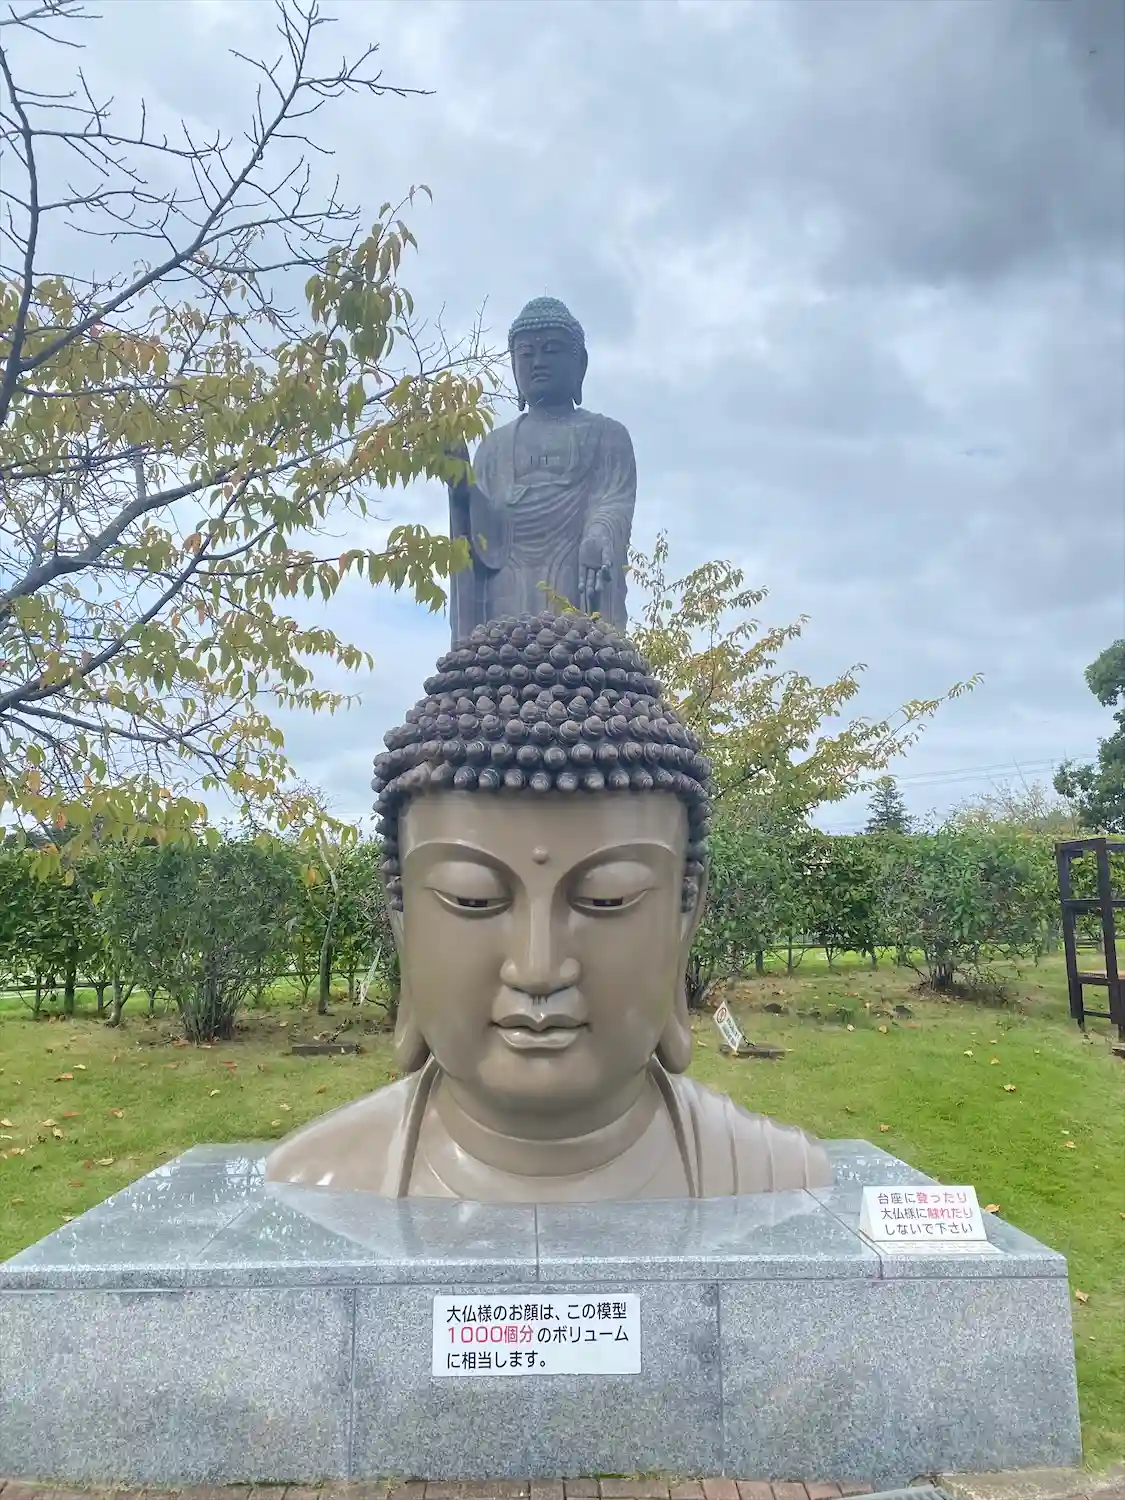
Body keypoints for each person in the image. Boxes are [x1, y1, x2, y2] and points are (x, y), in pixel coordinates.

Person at [266, 612, 832, 1201]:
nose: (538, 969)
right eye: (473, 897)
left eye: (608, 897)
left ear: (683, 919)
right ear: (402, 918)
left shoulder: (774, 1179)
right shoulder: (322, 1182)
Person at [447, 298, 636, 642]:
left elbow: (613, 501)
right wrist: (462, 487)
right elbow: (483, 534)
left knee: (573, 655)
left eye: (551, 350)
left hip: (574, 575)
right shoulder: (493, 447)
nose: (537, 362)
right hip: (507, 584)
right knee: (504, 659)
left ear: (580, 363)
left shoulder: (607, 435)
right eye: (526, 354)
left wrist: (599, 534)